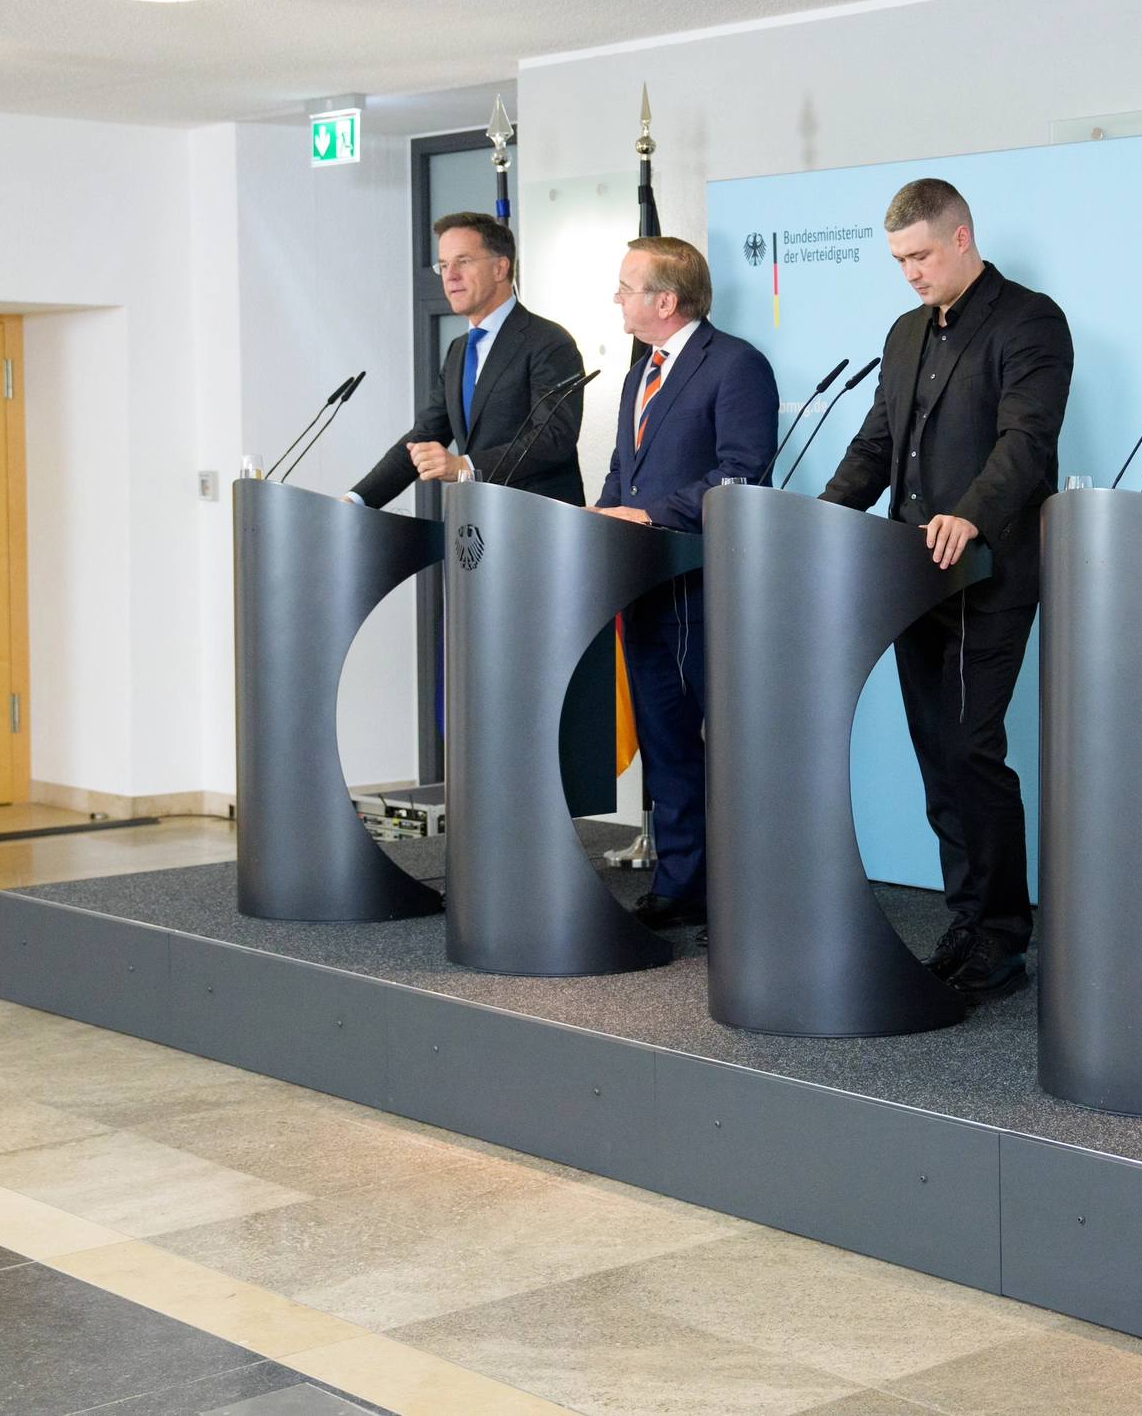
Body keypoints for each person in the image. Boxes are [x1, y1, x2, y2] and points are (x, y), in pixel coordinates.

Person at [820, 179, 1072, 1000]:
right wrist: (819, 520)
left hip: (988, 573)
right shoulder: (904, 333)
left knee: (971, 748)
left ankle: (1002, 932)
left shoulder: (1030, 320)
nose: (910, 272)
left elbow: (1025, 444)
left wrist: (969, 513)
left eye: (921, 255)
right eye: (899, 260)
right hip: (909, 578)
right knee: (937, 753)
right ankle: (969, 919)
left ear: (962, 236)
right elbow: (876, 445)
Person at [592, 237, 780, 928]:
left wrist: (646, 515)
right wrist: (600, 519)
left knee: (730, 751)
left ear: (665, 300)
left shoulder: (735, 364)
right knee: (666, 746)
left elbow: (741, 472)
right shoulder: (638, 370)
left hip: (706, 593)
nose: (617, 298)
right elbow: (625, 470)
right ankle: (681, 885)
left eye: (626, 287)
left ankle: (749, 899)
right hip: (643, 590)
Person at [349, 212, 586, 507]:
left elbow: (554, 437)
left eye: (463, 261)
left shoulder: (548, 341)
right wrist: (354, 502)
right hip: (476, 521)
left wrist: (465, 466)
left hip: (537, 520)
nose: (450, 276)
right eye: (444, 265)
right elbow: (422, 439)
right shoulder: (459, 350)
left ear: (500, 268)